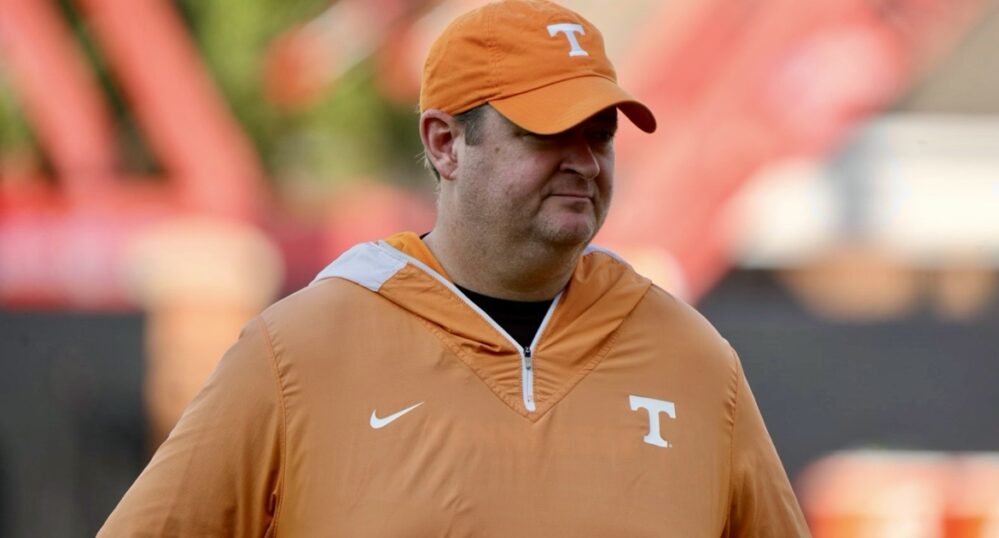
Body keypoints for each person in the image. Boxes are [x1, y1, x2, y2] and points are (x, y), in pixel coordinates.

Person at [99, 0, 810, 535]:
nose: (585, 160)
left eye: (600, 134)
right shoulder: (300, 353)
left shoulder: (693, 361)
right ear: (445, 144)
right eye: (547, 132)